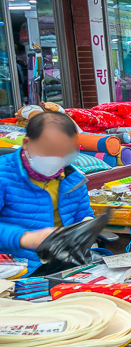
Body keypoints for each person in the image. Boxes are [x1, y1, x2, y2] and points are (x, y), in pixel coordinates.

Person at [0, 111, 95, 274]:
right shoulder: (4, 175)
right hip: (19, 268)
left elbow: (84, 215)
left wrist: (87, 226)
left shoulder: (73, 178)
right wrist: (26, 238)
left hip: (68, 262)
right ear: (27, 143)